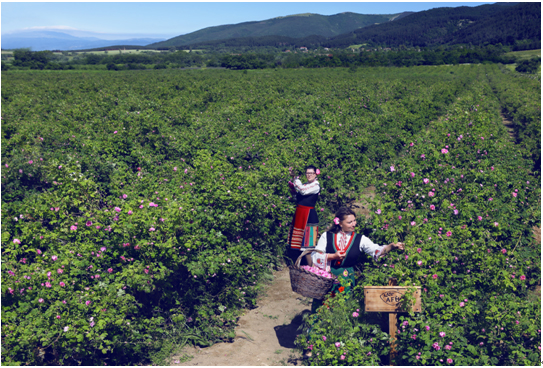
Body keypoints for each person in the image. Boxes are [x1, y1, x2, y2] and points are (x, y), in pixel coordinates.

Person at [309, 207, 405, 313]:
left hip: (346, 279)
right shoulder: (327, 236)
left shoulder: (360, 239)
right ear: (340, 223)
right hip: (326, 278)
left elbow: (375, 250)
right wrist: (332, 256)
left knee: (343, 308)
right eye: (349, 222)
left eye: (354, 220)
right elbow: (315, 255)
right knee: (322, 307)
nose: (354, 224)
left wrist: (391, 246)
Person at [286, 165, 321, 266]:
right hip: (300, 215)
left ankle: (311, 269)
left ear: (315, 174)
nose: (309, 175)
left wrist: (295, 179)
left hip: (309, 216)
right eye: (307, 173)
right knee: (299, 245)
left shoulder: (315, 186)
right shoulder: (306, 185)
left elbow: (303, 190)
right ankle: (299, 267)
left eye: (311, 173)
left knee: (308, 246)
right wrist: (292, 189)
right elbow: (297, 198)